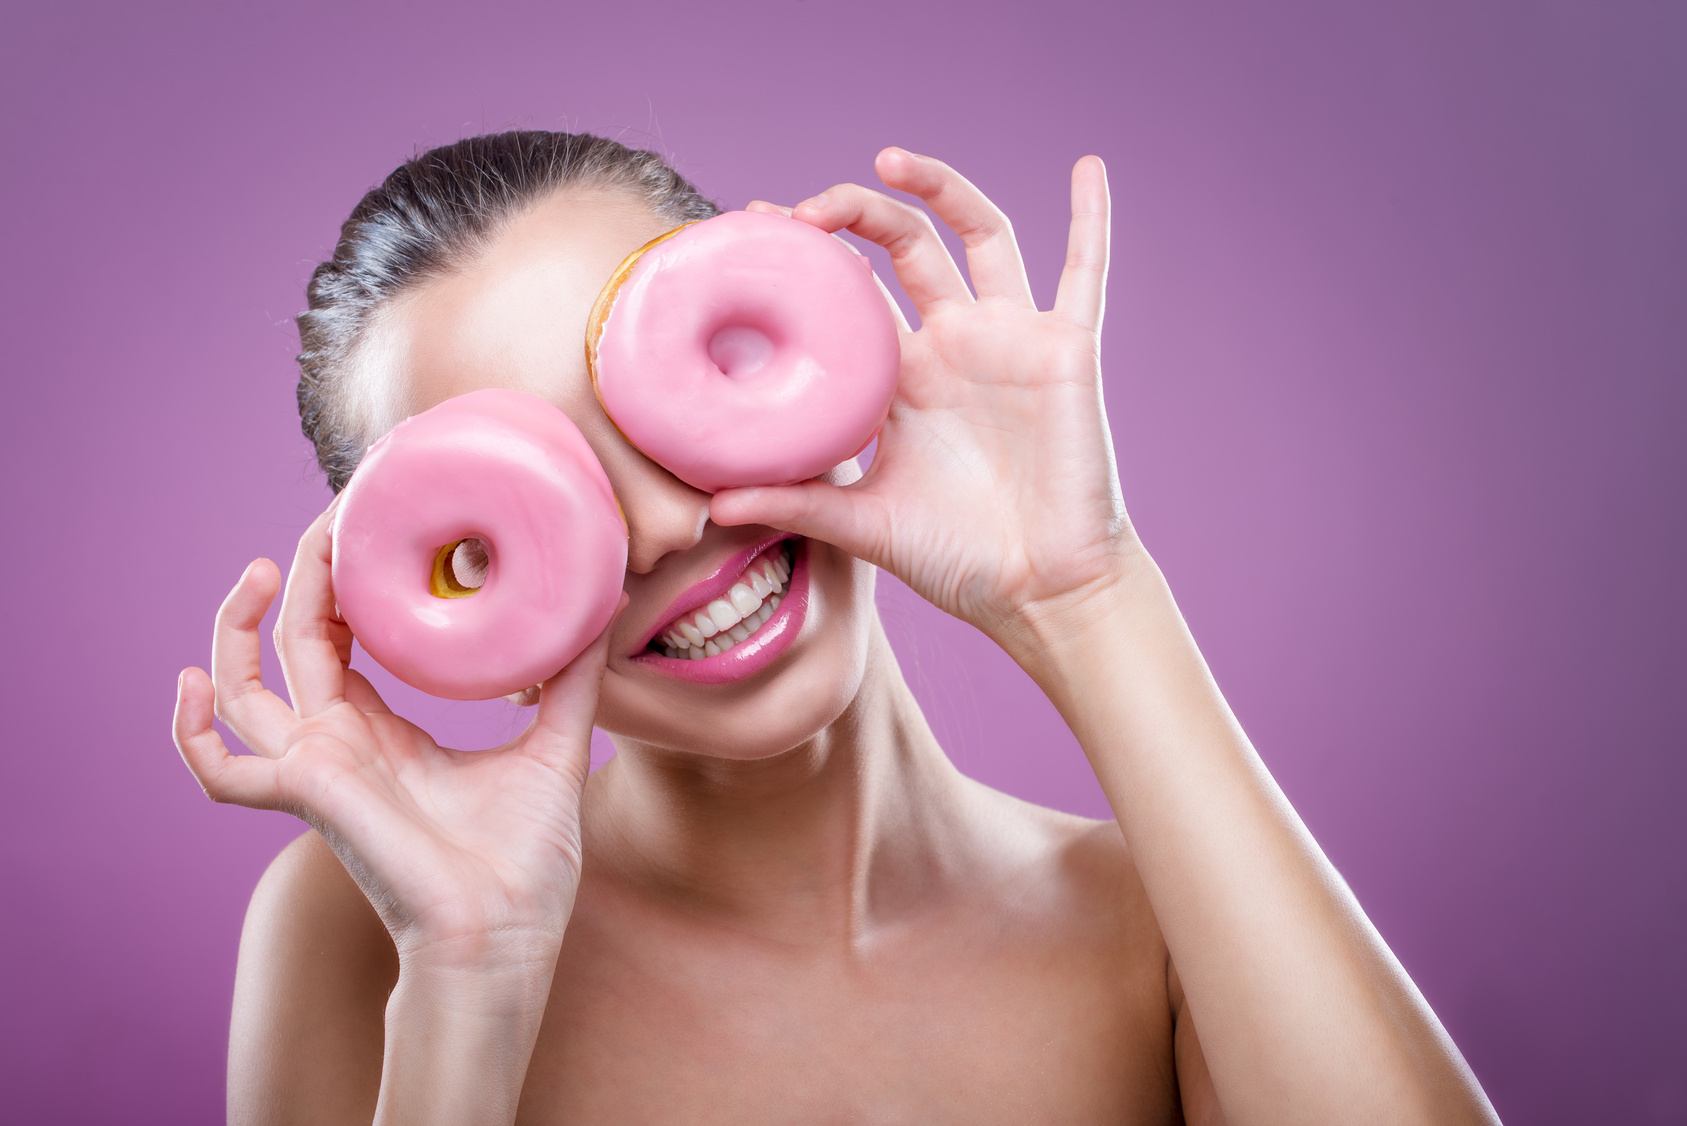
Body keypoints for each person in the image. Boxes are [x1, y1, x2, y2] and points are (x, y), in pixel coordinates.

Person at [172, 131, 1499, 1125]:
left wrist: (1086, 596)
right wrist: (470, 977)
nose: (662, 530)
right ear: (425, 602)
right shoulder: (370, 939)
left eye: (666, 402)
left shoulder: (1166, 926)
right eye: (516, 510)